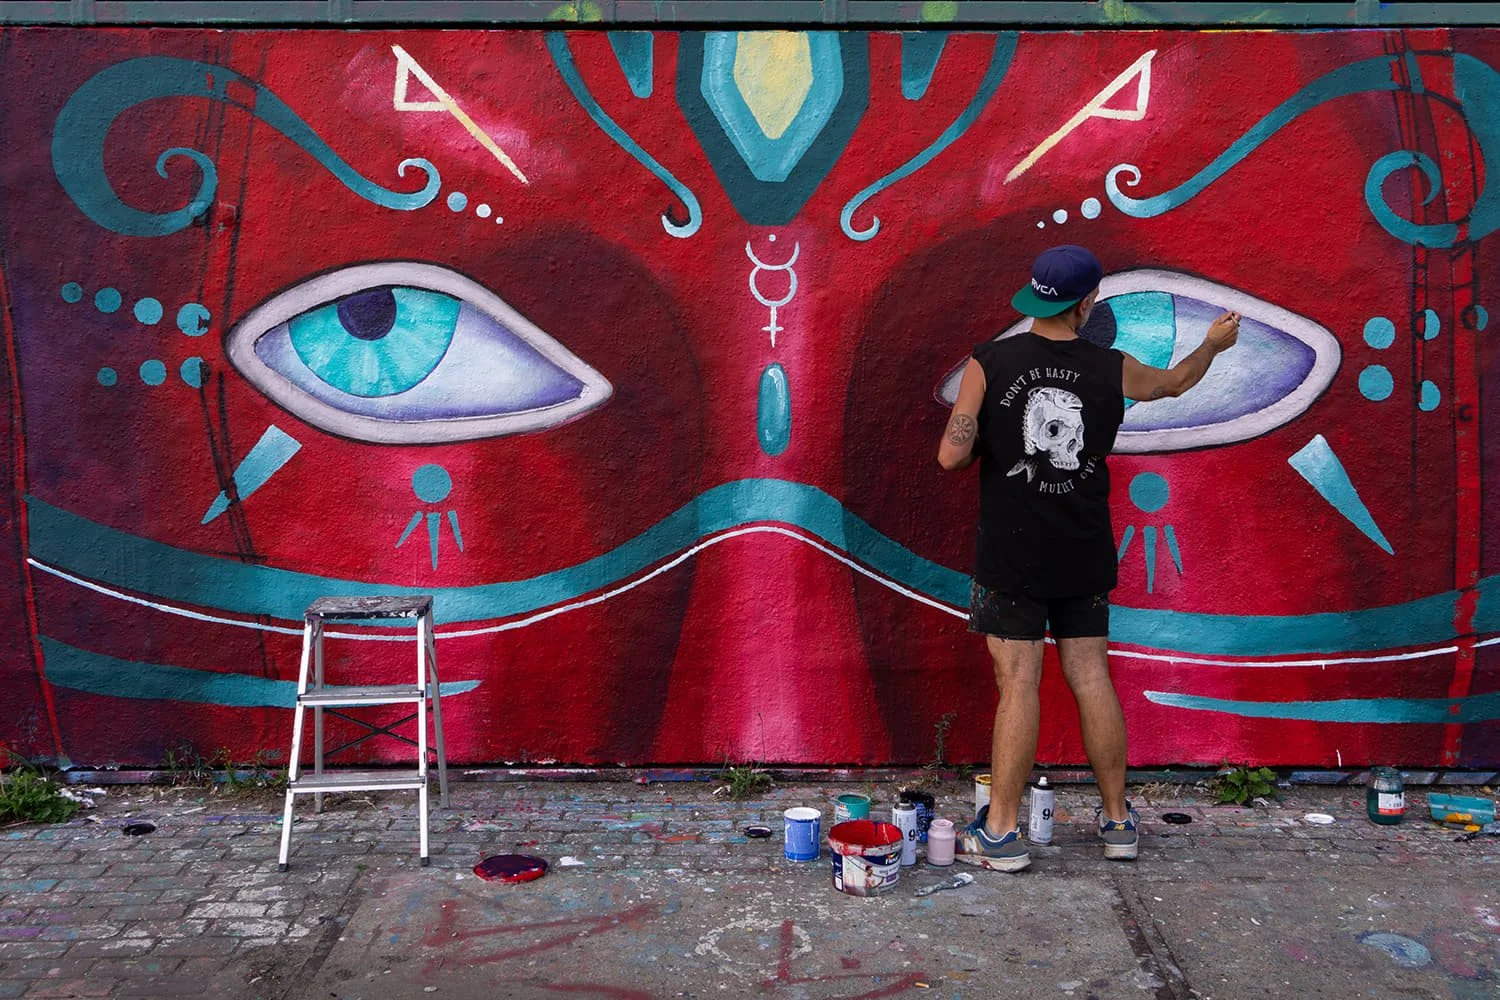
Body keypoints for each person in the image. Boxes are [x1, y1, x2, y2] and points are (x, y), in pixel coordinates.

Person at [936, 245, 1240, 871]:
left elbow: (950, 456)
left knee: (1019, 682)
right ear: (1086, 304)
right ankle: (1120, 822)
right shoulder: (1111, 368)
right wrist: (1212, 343)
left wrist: (982, 433)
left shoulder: (988, 363)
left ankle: (1001, 832)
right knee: (1092, 677)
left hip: (1012, 556)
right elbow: (1175, 382)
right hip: (1083, 549)